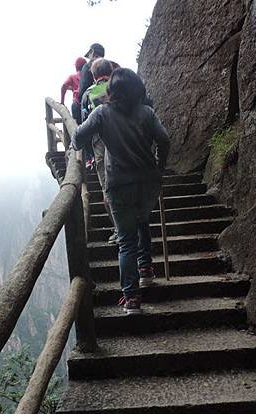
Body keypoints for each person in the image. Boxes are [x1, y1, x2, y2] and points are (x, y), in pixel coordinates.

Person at [72, 68, 170, 315]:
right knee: (143, 222)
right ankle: (146, 269)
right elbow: (164, 140)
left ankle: (132, 298)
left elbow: (79, 136)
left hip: (118, 184)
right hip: (147, 182)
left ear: (111, 91)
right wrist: (159, 166)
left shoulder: (102, 113)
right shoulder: (146, 113)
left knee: (126, 241)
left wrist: (76, 144)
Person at [81, 58, 118, 245]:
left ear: (93, 75)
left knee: (107, 188)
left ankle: (119, 229)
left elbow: (84, 127)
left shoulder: (88, 94)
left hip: (101, 146)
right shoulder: (120, 87)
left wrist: (88, 156)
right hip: (126, 142)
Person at [77, 43, 120, 170]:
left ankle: (90, 158)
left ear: (92, 52)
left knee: (102, 164)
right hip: (123, 126)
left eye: (89, 54)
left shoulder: (89, 67)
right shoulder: (113, 65)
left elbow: (82, 92)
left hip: (99, 131)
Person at [60, 57, 86, 125]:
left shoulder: (73, 77)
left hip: (77, 103)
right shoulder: (89, 76)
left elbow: (64, 86)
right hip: (87, 102)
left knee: (78, 125)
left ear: (76, 67)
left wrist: (62, 101)